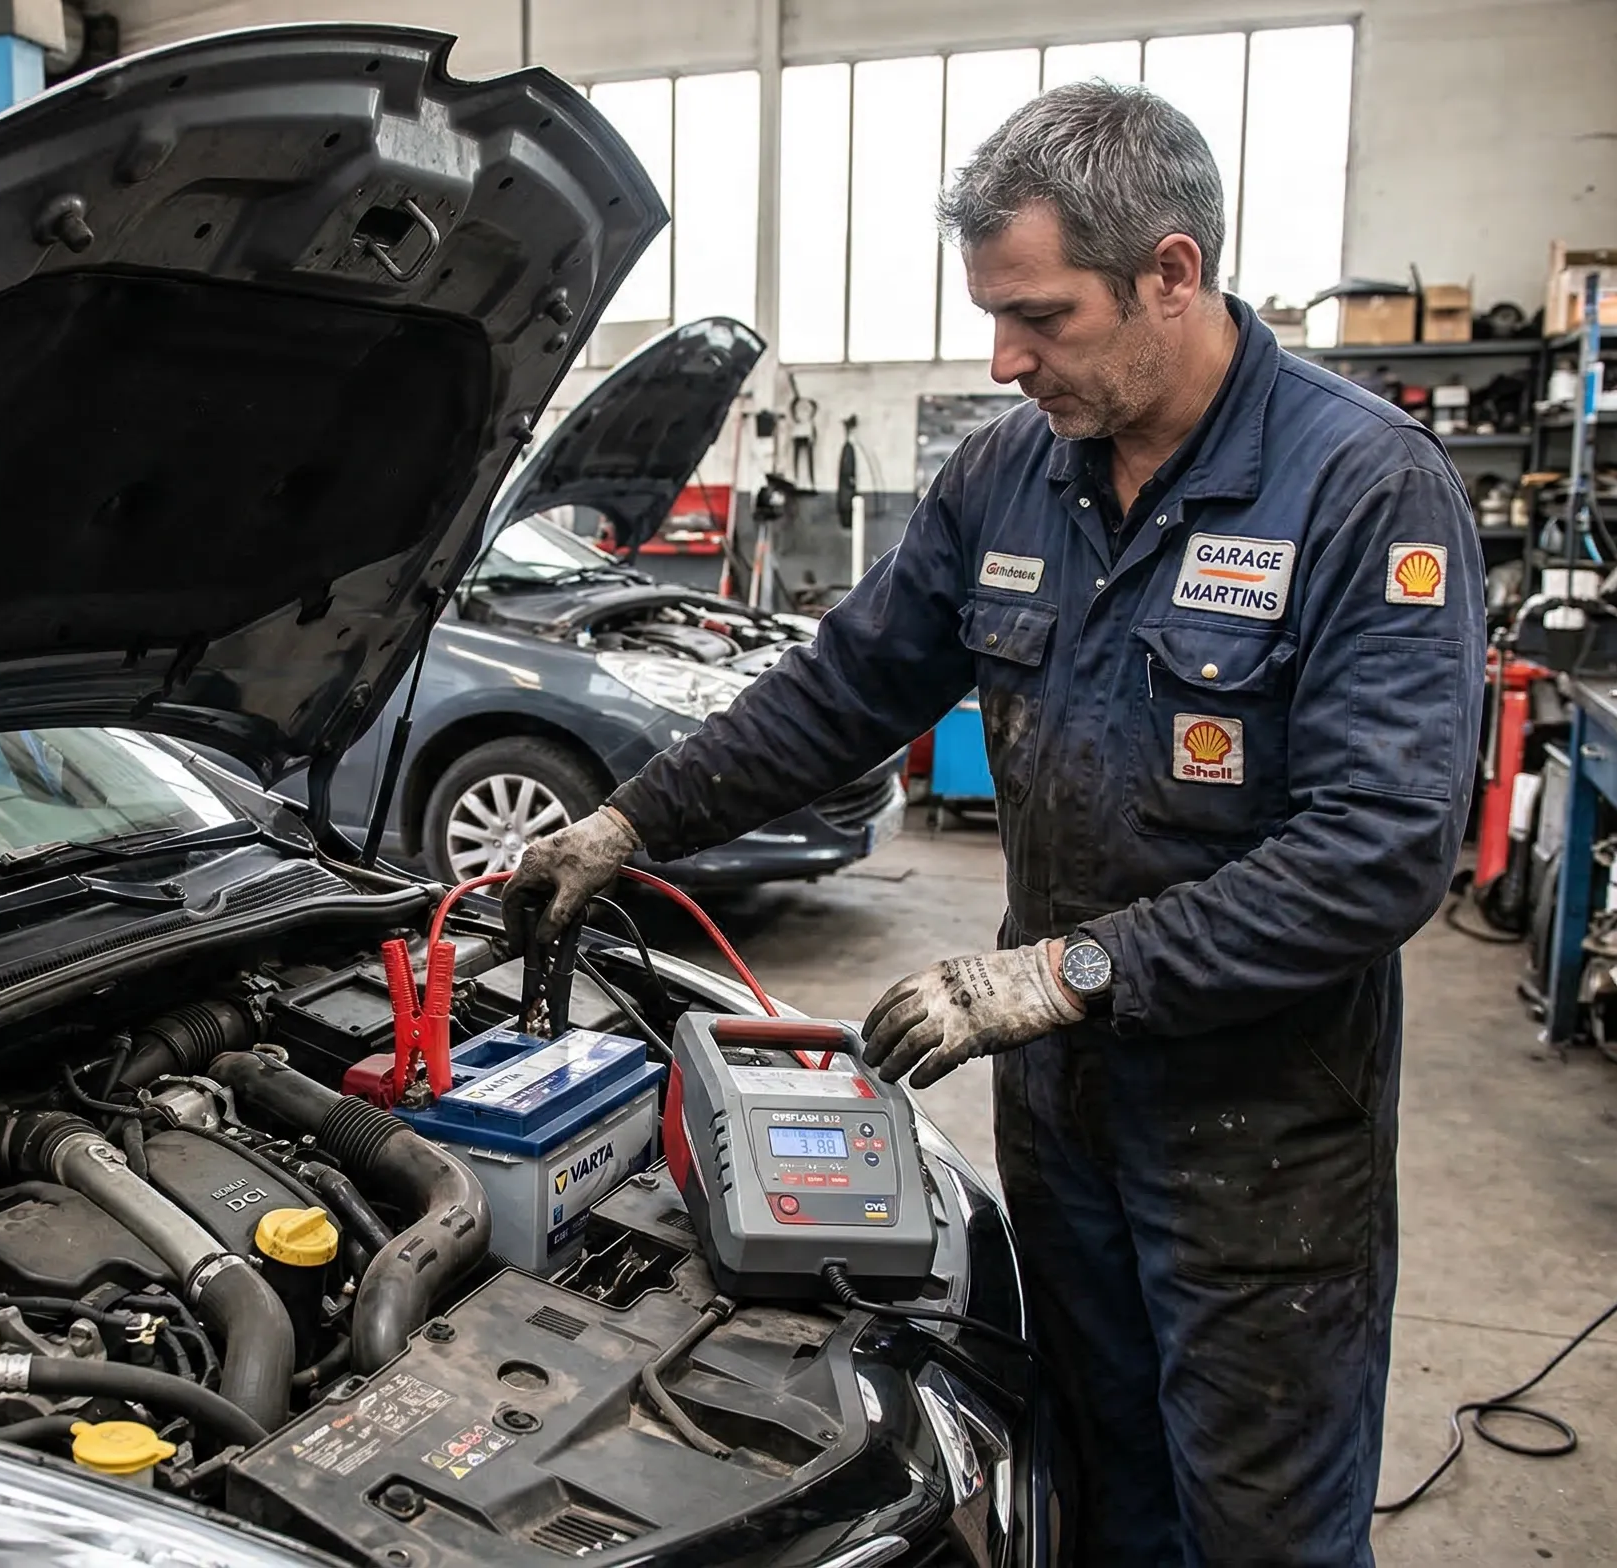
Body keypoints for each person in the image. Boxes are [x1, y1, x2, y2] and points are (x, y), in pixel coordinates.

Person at [504, 81, 1485, 1566]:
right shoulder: (1011, 472)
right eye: (992, 314)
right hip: (1062, 1111)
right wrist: (628, 824)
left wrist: (1056, 974)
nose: (1003, 358)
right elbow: (848, 687)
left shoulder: (1361, 489)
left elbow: (1380, 850)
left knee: (1262, 1525)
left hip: (1263, 1130)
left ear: (1172, 271)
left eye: (1042, 316)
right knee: (1090, 1478)